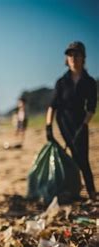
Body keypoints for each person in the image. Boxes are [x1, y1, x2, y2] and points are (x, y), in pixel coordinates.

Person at [45, 41, 97, 201]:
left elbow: (91, 107)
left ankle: (91, 192)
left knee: (82, 158)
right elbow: (52, 106)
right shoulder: (61, 82)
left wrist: (84, 125)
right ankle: (73, 191)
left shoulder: (89, 82)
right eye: (70, 55)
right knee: (71, 157)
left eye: (77, 55)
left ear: (83, 58)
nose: (73, 58)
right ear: (66, 59)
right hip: (63, 123)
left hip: (81, 123)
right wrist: (48, 127)